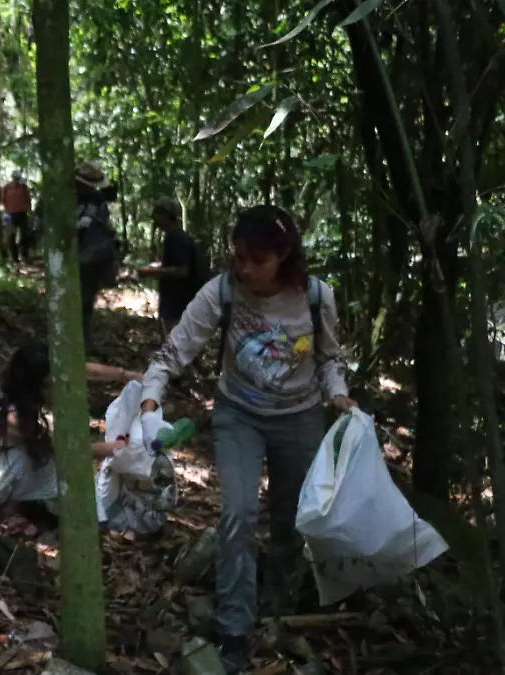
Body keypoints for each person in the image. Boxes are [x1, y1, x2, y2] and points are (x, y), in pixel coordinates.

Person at [136, 205, 357, 674]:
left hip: (299, 418)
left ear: (283, 256)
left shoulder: (316, 297)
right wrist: (151, 402)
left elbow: (329, 358)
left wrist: (338, 397)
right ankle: (234, 623)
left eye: (257, 260)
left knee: (290, 516)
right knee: (238, 510)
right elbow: (172, 352)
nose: (245, 269)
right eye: (238, 257)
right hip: (238, 414)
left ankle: (277, 602)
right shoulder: (222, 292)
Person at [0, 342, 145, 516]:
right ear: (33, 385)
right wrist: (117, 447)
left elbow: (83, 371)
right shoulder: (10, 416)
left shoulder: (8, 394)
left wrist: (127, 376)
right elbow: (64, 450)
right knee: (49, 462)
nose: (56, 388)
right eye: (49, 384)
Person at [73, 163, 121, 355]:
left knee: (86, 301)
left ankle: (84, 342)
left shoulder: (97, 201)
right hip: (75, 256)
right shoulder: (67, 198)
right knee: (77, 301)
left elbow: (103, 225)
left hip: (91, 259)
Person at [137, 196, 199, 337]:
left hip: (178, 305)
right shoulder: (173, 237)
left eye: (158, 212)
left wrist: (151, 272)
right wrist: (155, 266)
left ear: (167, 215)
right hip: (175, 303)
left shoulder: (177, 238)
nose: (154, 217)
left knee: (178, 346)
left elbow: (182, 270)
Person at [0, 171, 33, 262]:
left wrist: (29, 212)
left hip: (22, 213)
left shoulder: (23, 187)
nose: (16, 179)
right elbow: (2, 201)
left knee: (25, 235)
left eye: (17, 178)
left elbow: (28, 200)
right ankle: (14, 258)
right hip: (10, 214)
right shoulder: (6, 188)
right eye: (15, 177)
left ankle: (24, 255)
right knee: (11, 236)